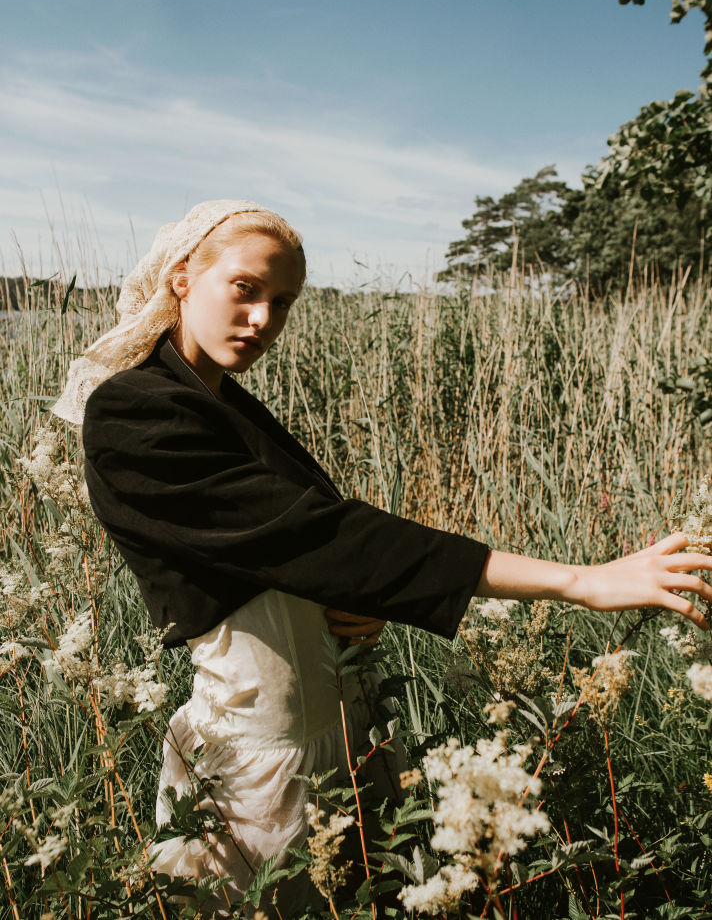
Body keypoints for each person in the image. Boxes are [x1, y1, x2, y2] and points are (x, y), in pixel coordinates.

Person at [52, 200, 711, 915]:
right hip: (263, 753)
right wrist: (578, 581)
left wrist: (357, 598)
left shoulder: (228, 407)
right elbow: (326, 538)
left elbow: (298, 552)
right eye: (245, 288)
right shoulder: (134, 411)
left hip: (338, 732)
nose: (263, 319)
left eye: (283, 302)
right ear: (182, 278)